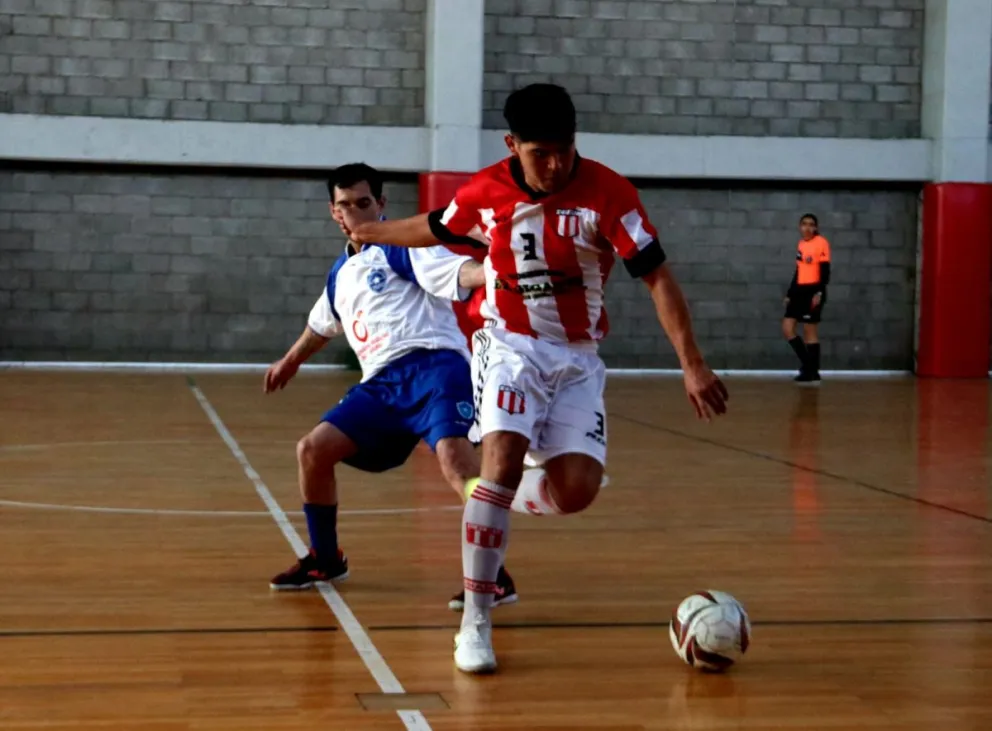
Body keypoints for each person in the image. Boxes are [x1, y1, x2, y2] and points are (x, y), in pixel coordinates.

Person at [346, 84, 729, 674]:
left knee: (575, 492)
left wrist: (692, 362)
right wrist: (374, 232)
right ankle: (476, 620)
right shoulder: (485, 192)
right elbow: (436, 227)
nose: (554, 165)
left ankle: (488, 497)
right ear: (512, 146)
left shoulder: (611, 194)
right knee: (500, 460)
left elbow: (657, 279)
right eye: (540, 153)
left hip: (576, 358)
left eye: (564, 151)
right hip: (508, 345)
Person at [263, 162, 519, 608]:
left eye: (365, 203)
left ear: (381, 204)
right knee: (312, 451)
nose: (356, 213)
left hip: (436, 368)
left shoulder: (403, 243)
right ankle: (327, 559)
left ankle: (494, 574)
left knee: (457, 465)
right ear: (334, 213)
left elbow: (457, 273)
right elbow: (323, 324)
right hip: (381, 383)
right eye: (346, 206)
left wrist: (496, 272)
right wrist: (289, 361)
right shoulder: (340, 273)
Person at [782, 213, 831, 384]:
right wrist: (790, 293)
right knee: (787, 328)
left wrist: (819, 292)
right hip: (799, 291)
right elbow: (799, 271)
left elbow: (825, 271)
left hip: (813, 291)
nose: (808, 227)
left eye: (811, 224)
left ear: (816, 227)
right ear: (799, 226)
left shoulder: (822, 243)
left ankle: (812, 372)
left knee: (810, 331)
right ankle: (808, 366)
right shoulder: (801, 244)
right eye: (804, 224)